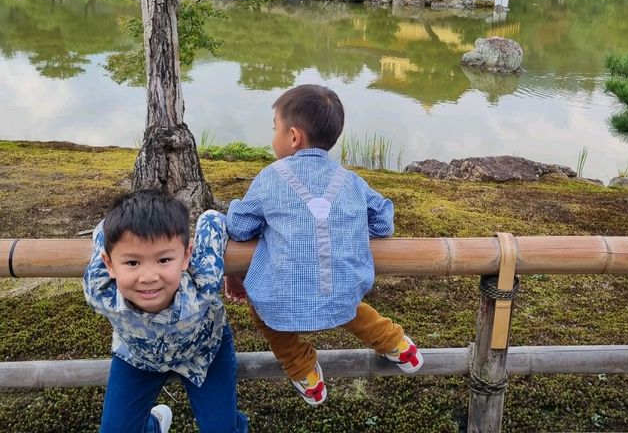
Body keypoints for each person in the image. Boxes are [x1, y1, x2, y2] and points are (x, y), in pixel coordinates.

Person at [225, 84, 423, 406]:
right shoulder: (351, 180)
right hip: (342, 290)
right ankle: (395, 343)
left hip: (282, 297)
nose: (272, 137)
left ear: (292, 136)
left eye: (274, 129)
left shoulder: (270, 178)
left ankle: (303, 369)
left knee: (261, 310)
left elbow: (240, 226)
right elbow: (384, 222)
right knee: (348, 305)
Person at [83, 189, 249, 433]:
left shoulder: (203, 280)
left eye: (163, 260)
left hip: (205, 352)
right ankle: (154, 425)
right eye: (132, 262)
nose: (149, 277)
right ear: (109, 264)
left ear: (186, 257)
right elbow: (103, 230)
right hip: (138, 357)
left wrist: (234, 273)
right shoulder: (101, 291)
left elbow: (212, 218)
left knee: (221, 428)